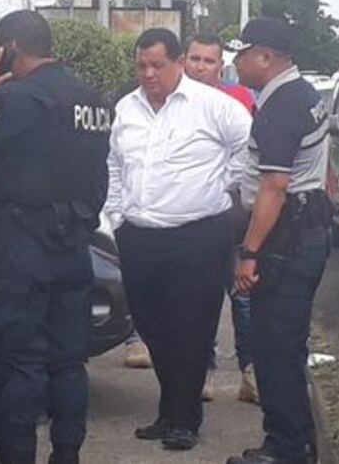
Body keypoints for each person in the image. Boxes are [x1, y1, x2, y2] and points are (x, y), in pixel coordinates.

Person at [0, 10, 110, 464]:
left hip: (22, 248)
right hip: (73, 245)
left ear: (10, 47)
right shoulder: (92, 98)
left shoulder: (19, 98)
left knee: (20, 365)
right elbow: (100, 179)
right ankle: (67, 455)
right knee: (69, 362)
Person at [107, 29, 251, 451]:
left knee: (190, 329)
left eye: (157, 65)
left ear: (177, 63)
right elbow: (113, 164)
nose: (148, 74)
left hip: (197, 235)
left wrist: (221, 188)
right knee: (154, 330)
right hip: (139, 235)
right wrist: (117, 215)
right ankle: (169, 409)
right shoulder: (125, 108)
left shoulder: (214, 106)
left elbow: (247, 149)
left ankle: (186, 418)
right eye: (141, 66)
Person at [228, 19, 333, 464]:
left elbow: (273, 186)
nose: (236, 62)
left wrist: (249, 252)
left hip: (284, 239)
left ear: (266, 57)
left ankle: (286, 449)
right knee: (287, 344)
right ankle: (300, 441)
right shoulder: (305, 95)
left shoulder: (280, 107)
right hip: (305, 232)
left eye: (242, 53)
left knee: (273, 347)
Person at [184, 33, 259, 405]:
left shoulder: (240, 101)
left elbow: (249, 159)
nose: (200, 67)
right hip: (191, 219)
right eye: (194, 59)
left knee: (242, 296)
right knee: (199, 299)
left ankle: (250, 373)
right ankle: (203, 372)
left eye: (208, 61)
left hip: (234, 216)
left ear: (220, 65)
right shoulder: (173, 100)